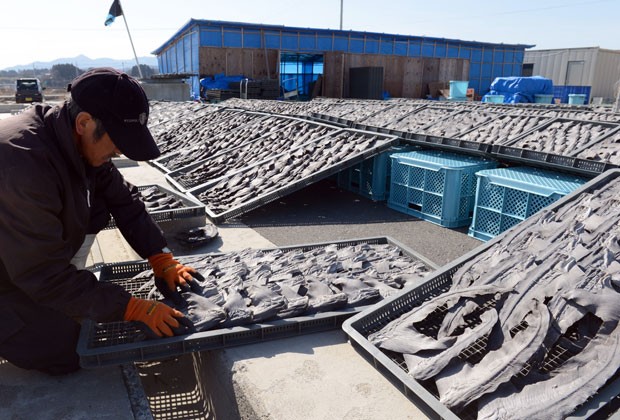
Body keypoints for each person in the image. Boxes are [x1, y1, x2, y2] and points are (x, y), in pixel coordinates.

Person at [0, 68, 197, 375]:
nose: (119, 150)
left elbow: (124, 199)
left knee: (100, 202)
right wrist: (129, 307)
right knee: (64, 347)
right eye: (117, 140)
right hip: (9, 272)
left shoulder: (72, 138)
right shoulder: (24, 164)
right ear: (84, 123)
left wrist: (160, 256)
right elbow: (43, 275)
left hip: (21, 252)